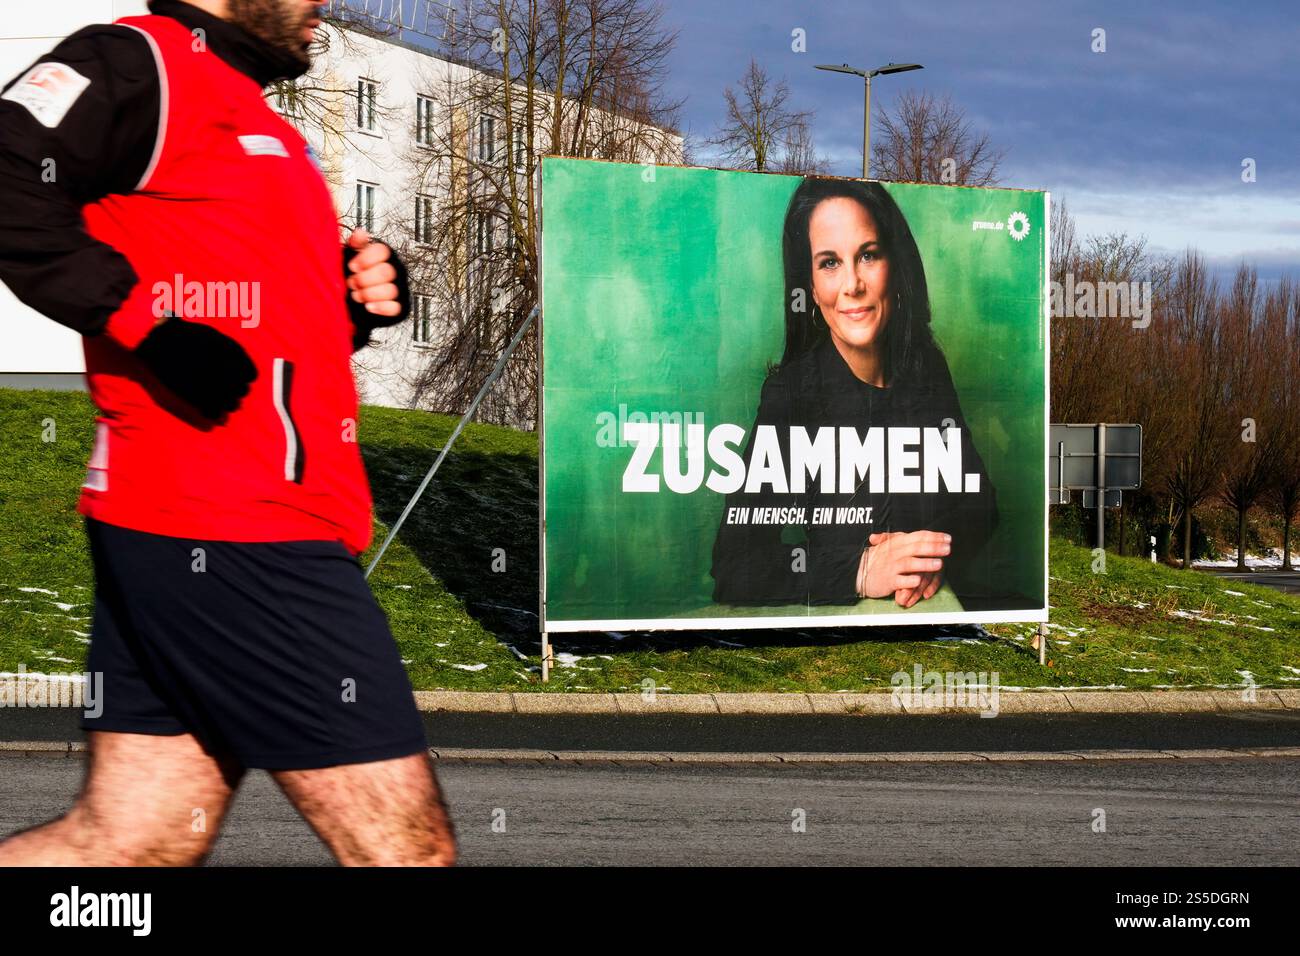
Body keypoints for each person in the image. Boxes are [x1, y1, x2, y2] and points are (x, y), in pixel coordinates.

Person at [0, 0, 456, 866]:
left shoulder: (252, 112)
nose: (323, 2)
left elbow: (254, 329)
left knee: (126, 844)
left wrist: (350, 300)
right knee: (404, 851)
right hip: (232, 521)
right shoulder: (138, 63)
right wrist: (146, 323)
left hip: (210, 521)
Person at [710, 177, 998, 608]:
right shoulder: (791, 395)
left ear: (895, 265)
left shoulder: (926, 369)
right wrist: (861, 570)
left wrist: (921, 557)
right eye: (829, 263)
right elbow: (736, 565)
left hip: (927, 630)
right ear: (808, 285)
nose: (852, 284)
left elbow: (982, 505)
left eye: (867, 255)